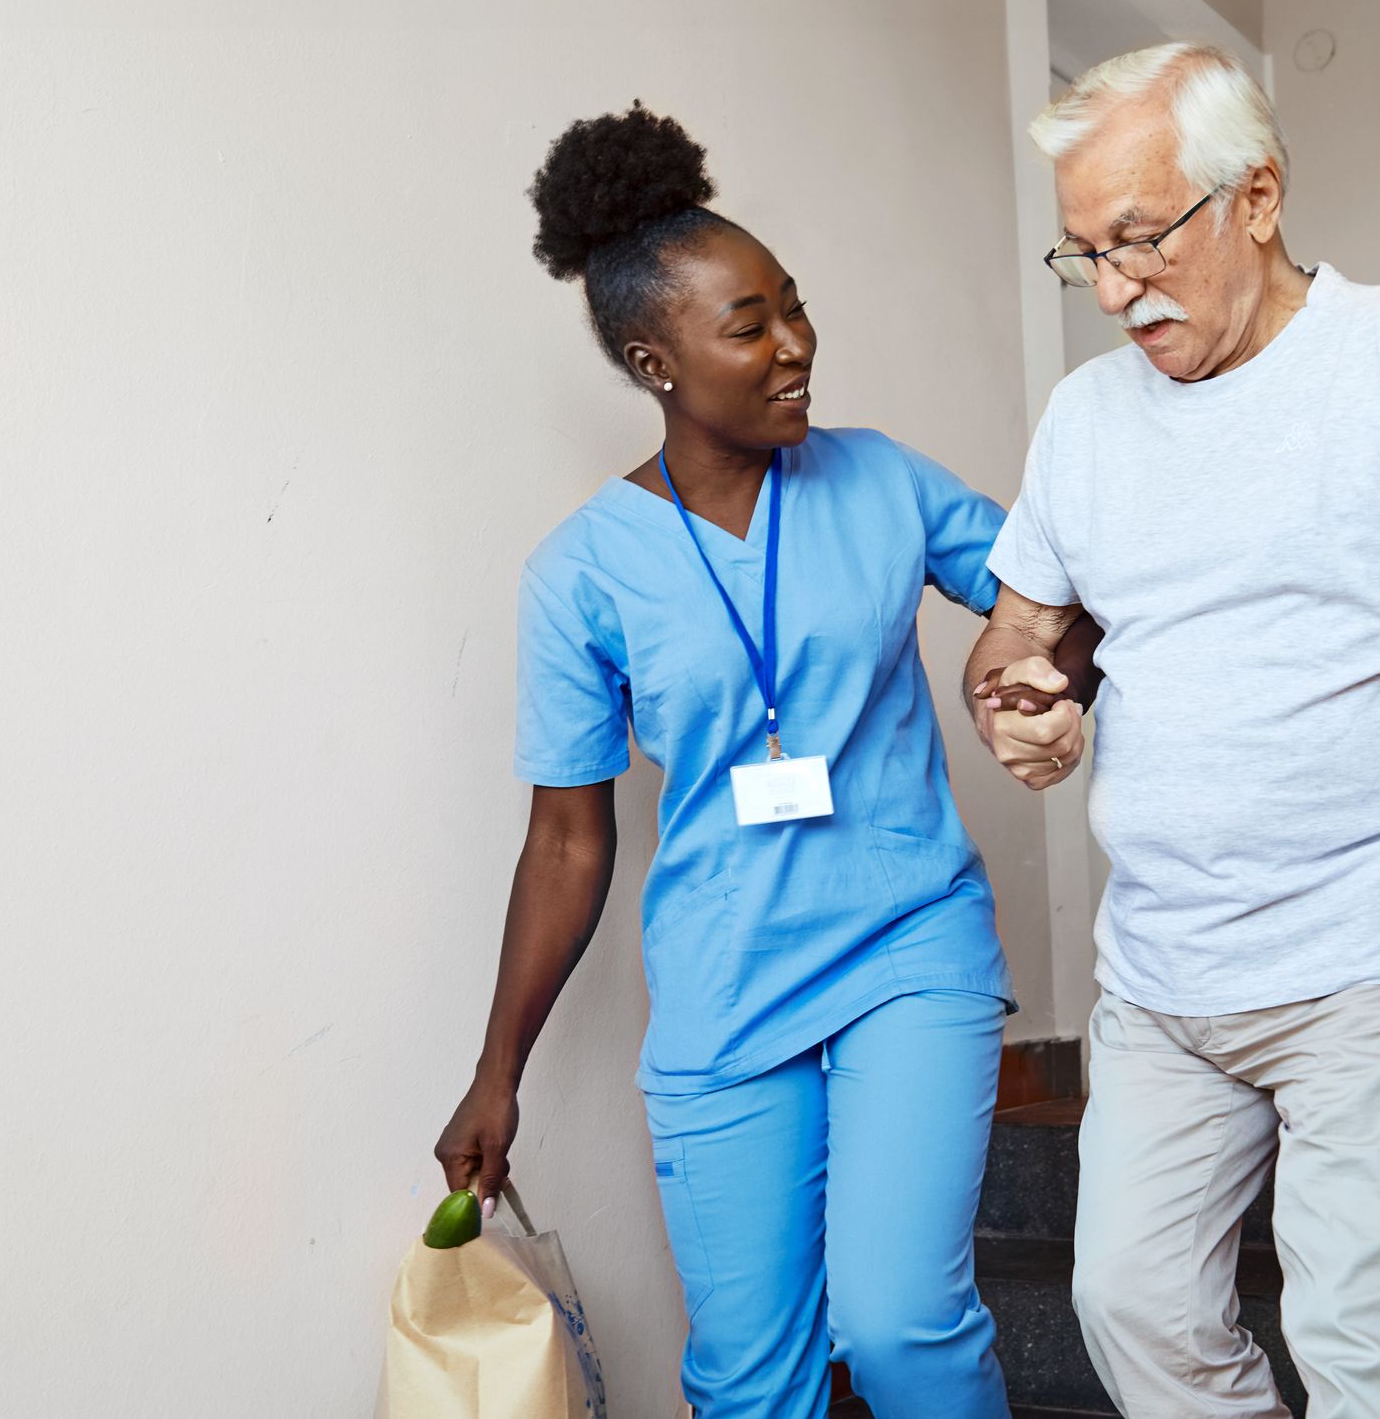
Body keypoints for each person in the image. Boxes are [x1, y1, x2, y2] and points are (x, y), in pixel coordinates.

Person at [432, 102, 1090, 1419]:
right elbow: (568, 837)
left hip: (910, 945)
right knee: (750, 1380)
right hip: (724, 993)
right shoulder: (579, 574)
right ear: (653, 357)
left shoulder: (883, 483)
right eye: (750, 324)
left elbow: (1057, 586)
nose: (795, 345)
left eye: (794, 306)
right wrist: (497, 1066)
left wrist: (1034, 668)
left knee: (901, 1324)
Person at [967, 43, 1380, 1419]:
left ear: (1258, 195)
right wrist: (1016, 698)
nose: (1118, 289)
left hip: (1373, 953)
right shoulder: (1083, 422)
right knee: (1129, 1305)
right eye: (1087, 256)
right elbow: (1009, 639)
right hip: (1162, 974)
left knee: (1369, 1346)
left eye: (1141, 240)